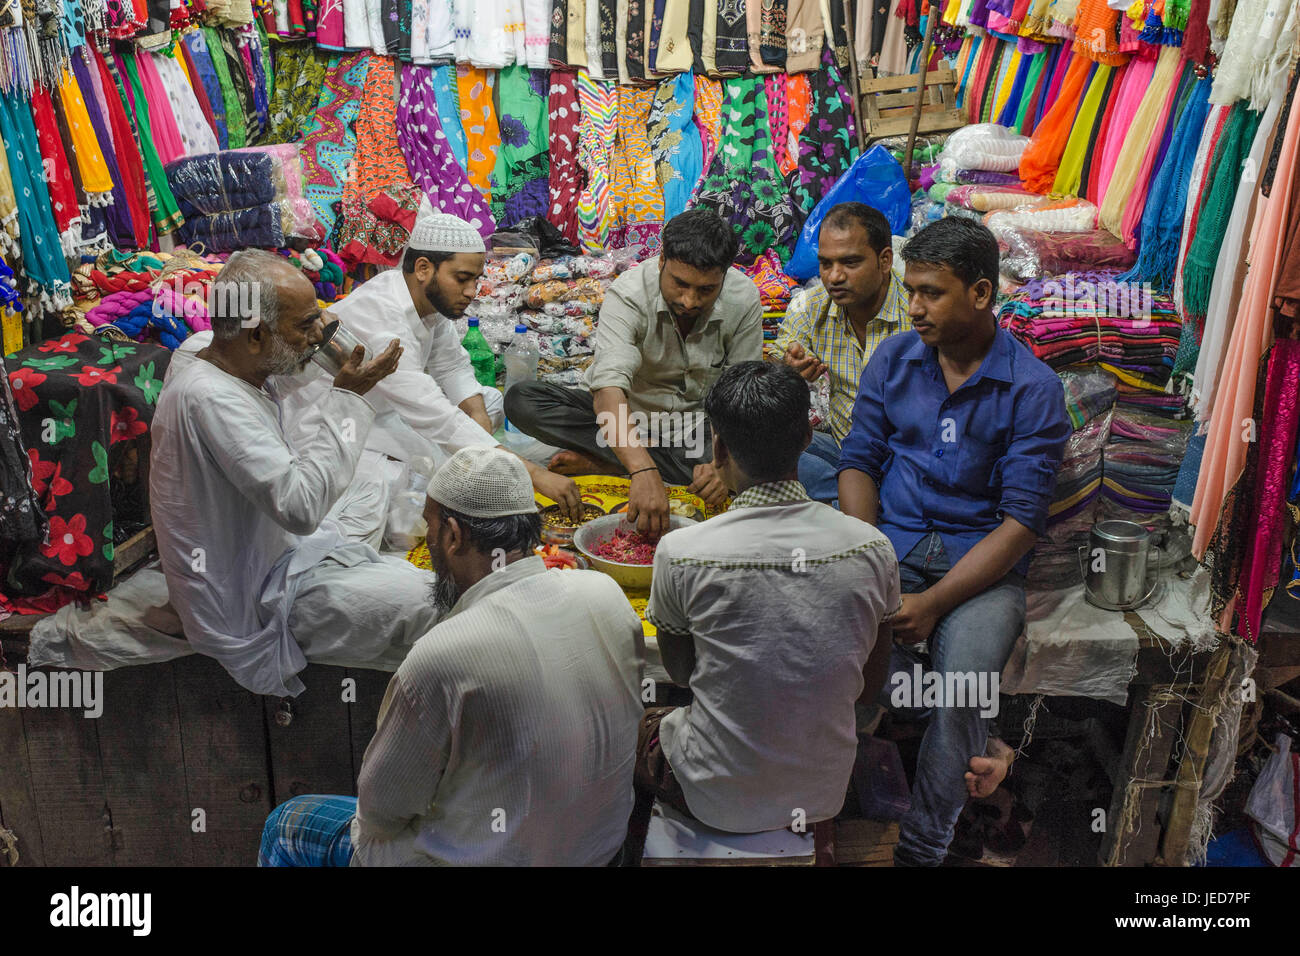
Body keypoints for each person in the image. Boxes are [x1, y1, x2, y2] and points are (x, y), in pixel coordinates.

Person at [258, 447, 646, 866]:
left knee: (288, 823)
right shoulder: (605, 594)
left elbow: (381, 815)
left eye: (429, 524)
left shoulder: (442, 654)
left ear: (453, 535)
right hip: (603, 850)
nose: (427, 537)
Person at [837, 217, 1071, 866]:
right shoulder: (894, 360)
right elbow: (858, 461)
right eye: (909, 290)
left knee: (964, 683)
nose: (912, 307)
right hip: (895, 547)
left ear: (981, 294)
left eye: (931, 293)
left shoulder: (1034, 390)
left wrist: (935, 602)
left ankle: (922, 850)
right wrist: (866, 556)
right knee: (833, 643)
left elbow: (1021, 522)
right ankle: (819, 813)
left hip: (981, 570)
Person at [151, 250, 440, 697]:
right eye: (306, 326)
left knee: (376, 477)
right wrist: (349, 397)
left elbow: (287, 370)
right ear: (253, 336)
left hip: (271, 549)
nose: (318, 336)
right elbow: (301, 509)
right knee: (427, 601)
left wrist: (339, 370)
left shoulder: (208, 354)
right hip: (252, 596)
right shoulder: (210, 398)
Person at [634, 361, 900, 838]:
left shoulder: (684, 551)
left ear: (717, 448)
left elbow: (681, 673)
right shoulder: (872, 548)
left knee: (636, 723)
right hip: (824, 794)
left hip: (713, 800)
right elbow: (870, 681)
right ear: (806, 440)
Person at [273, 201, 583, 542]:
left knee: (488, 403)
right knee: (392, 489)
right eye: (462, 279)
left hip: (390, 411)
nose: (471, 292)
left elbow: (452, 365)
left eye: (476, 280)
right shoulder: (384, 314)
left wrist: (479, 434)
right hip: (335, 423)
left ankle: (462, 460)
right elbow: (434, 415)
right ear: (423, 268)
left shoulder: (424, 300)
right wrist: (534, 475)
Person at [505, 208, 763, 537]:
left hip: (695, 428)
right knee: (522, 400)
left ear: (724, 277)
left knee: (756, 461)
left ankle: (610, 463)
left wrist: (722, 466)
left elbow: (739, 396)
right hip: (630, 417)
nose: (689, 300)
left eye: (706, 290)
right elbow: (608, 390)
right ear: (661, 261)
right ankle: (637, 462)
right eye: (680, 284)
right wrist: (643, 471)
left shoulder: (743, 299)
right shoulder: (629, 294)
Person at [775, 202, 907, 505]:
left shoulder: (916, 313)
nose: (834, 277)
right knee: (762, 444)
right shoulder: (811, 307)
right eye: (825, 263)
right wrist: (789, 369)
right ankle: (862, 502)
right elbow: (781, 359)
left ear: (885, 260)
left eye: (850, 263)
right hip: (843, 449)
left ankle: (854, 504)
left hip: (905, 457)